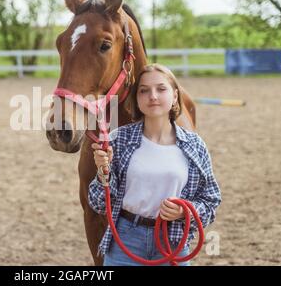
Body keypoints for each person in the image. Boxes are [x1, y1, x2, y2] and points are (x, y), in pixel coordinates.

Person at [89, 63, 221, 266]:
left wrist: (184, 212)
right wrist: (102, 172)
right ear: (137, 98)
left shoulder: (195, 145)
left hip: (172, 242)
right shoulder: (118, 140)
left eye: (161, 89)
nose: (153, 96)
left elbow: (211, 201)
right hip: (125, 240)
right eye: (144, 90)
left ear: (175, 96)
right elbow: (98, 203)